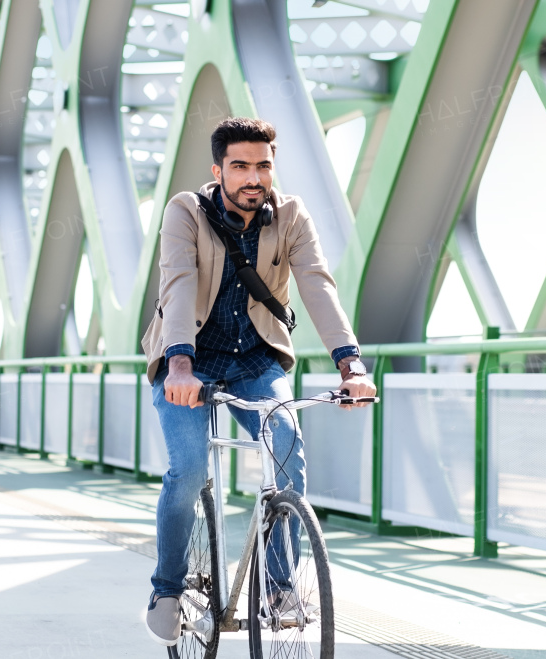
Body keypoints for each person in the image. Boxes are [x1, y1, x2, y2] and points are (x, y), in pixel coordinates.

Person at [140, 117, 375, 646]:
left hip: (255, 360)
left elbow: (316, 283)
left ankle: (279, 585)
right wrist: (178, 363)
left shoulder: (289, 216)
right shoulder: (186, 212)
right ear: (218, 169)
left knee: (287, 453)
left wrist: (350, 362)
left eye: (262, 166)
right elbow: (176, 284)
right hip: (188, 360)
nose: (253, 177)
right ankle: (167, 588)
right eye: (240, 166)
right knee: (189, 468)